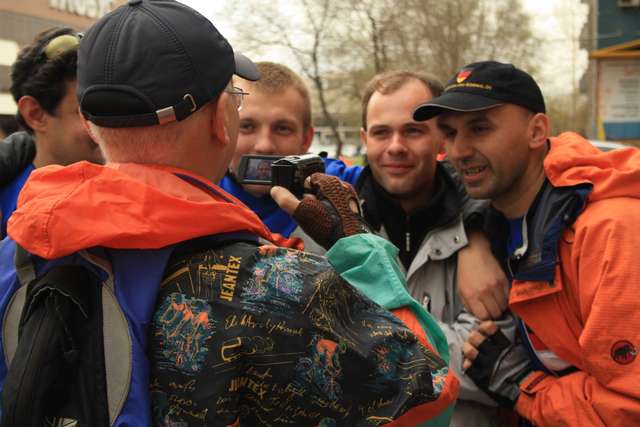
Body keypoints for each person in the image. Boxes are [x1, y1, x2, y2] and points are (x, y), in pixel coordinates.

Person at [0, 1, 458, 426]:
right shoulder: (279, 287)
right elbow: (430, 397)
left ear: (88, 122)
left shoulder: (13, 256)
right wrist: (358, 251)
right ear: (222, 118)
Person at [414, 60, 640, 426]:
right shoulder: (503, 219)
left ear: (536, 132)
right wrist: (473, 237)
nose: (459, 150)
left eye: (480, 128)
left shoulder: (610, 231)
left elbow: (628, 409)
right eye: (450, 133)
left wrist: (522, 384)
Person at [357, 70, 512, 427]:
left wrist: (365, 331)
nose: (396, 146)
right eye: (381, 132)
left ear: (442, 138)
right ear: (365, 139)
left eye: (413, 131)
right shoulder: (328, 230)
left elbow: (497, 372)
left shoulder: (494, 228)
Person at [220, 61, 362, 253]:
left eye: (282, 128)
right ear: (223, 128)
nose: (264, 146)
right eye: (247, 126)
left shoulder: (339, 185)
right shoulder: (196, 189)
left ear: (306, 139)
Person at [0, 27, 103, 239]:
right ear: (35, 114)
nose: (109, 125)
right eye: (89, 112)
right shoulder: (6, 202)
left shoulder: (135, 191)